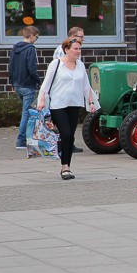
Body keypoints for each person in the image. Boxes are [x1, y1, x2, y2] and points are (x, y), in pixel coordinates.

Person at [37, 37, 96, 180]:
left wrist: (91, 102)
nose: (78, 51)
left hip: (74, 104)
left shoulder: (80, 65)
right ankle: (64, 166)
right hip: (58, 104)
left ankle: (66, 167)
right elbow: (46, 84)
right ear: (66, 49)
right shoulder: (56, 64)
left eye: (79, 49)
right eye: (75, 49)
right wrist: (41, 101)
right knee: (66, 133)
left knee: (70, 136)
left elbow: (86, 86)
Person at [53, 26, 86, 152]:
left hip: (73, 95)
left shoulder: (76, 50)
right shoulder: (63, 51)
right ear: (72, 37)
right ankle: (63, 146)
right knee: (64, 125)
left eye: (83, 36)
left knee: (70, 124)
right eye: (80, 36)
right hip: (63, 94)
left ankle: (68, 145)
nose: (83, 39)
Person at [9, 26, 41, 149]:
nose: (36, 39)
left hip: (17, 84)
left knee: (26, 112)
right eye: (36, 37)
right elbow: (32, 68)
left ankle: (26, 139)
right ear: (31, 35)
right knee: (27, 113)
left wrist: (12, 82)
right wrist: (38, 81)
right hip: (28, 85)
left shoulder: (15, 48)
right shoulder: (30, 49)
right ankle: (21, 141)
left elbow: (11, 66)